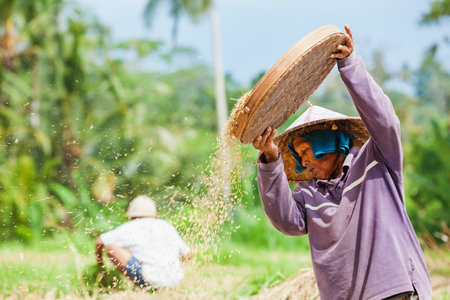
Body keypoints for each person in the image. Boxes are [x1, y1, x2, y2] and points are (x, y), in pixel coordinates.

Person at [252, 25, 432, 300]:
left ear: (328, 138)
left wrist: (349, 66)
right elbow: (286, 221)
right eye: (298, 156)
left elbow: (384, 120)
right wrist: (270, 158)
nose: (303, 161)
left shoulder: (377, 161)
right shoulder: (309, 195)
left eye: (306, 150)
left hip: (396, 290)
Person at [95, 195, 192, 290]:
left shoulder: (133, 226)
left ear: (133, 216)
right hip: (174, 280)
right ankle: (161, 287)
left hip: (149, 278)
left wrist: (100, 264)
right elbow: (188, 255)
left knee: (111, 248)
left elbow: (100, 241)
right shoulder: (166, 225)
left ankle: (143, 288)